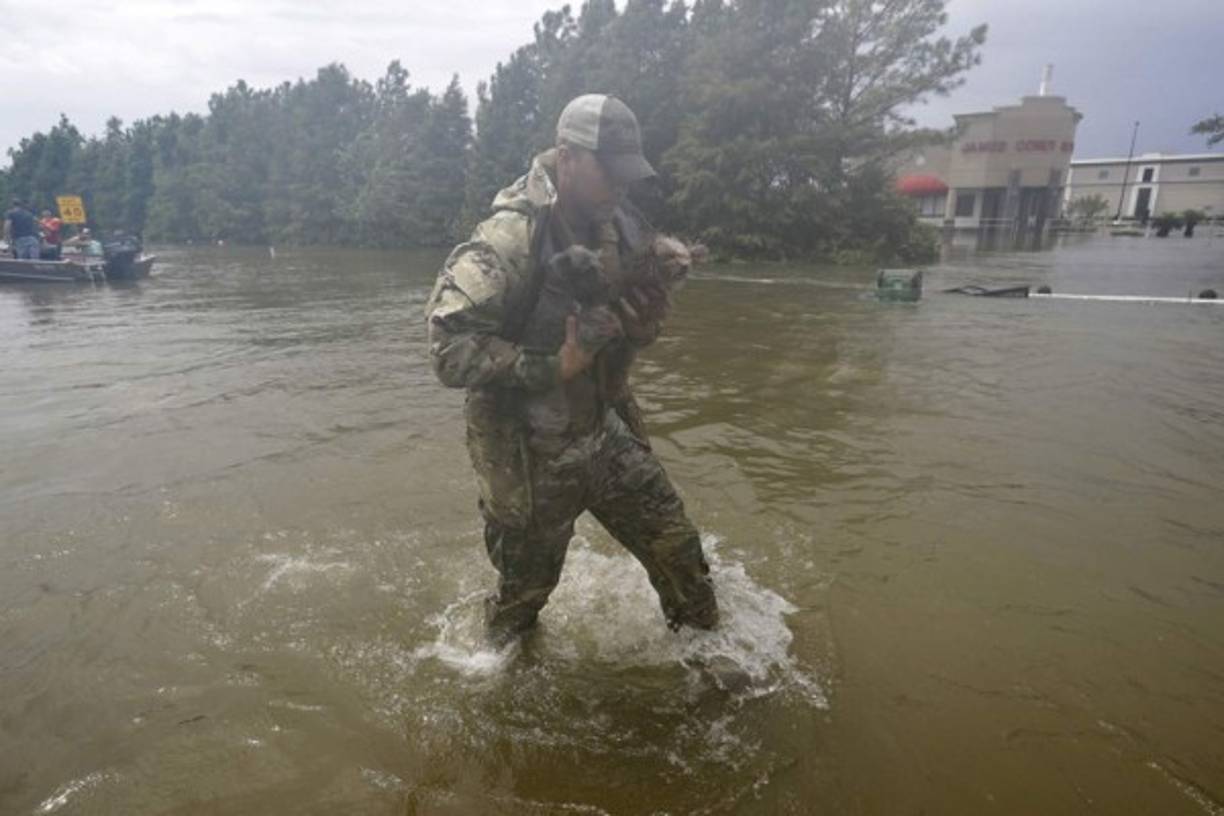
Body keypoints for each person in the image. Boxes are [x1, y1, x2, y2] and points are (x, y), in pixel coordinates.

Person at [426, 94, 719, 646]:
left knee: (680, 553)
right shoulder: (507, 240)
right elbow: (447, 348)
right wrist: (550, 364)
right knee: (519, 610)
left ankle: (709, 673)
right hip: (529, 458)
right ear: (567, 156)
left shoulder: (618, 224)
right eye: (610, 172)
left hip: (600, 432)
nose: (620, 187)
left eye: (626, 174)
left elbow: (631, 322)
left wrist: (643, 320)